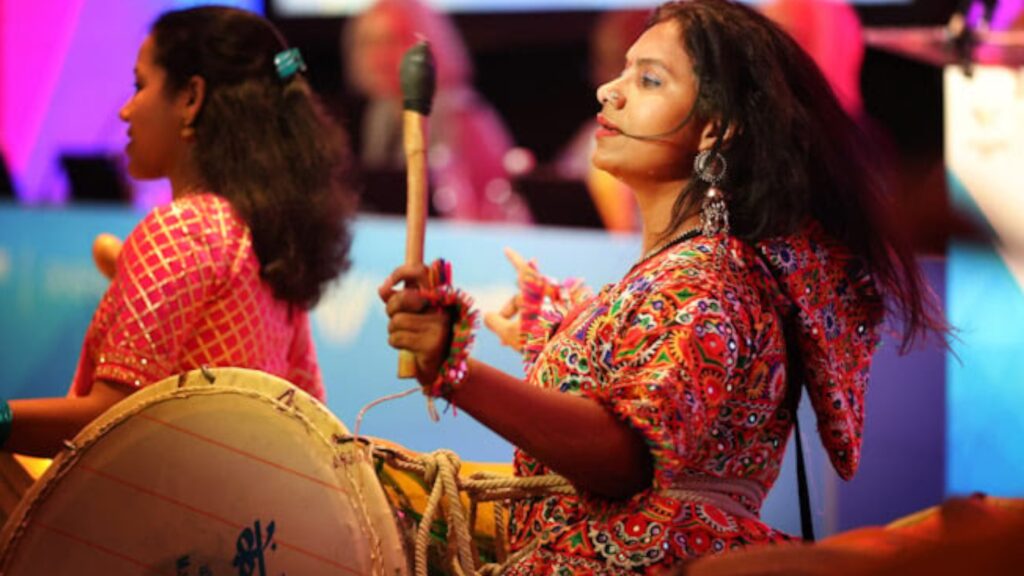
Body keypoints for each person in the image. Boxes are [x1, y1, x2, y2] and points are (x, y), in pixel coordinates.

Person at [381, 0, 945, 572]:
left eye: (649, 79)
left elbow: (627, 457)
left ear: (715, 128)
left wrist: (456, 371)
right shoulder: (699, 272)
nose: (609, 90)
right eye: (623, 71)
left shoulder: (707, 279)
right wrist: (554, 329)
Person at [2, 6, 355, 458]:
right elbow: (314, 426)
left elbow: (110, 420)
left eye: (140, 85)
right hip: (230, 502)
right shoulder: (271, 245)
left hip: (146, 502)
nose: (126, 110)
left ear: (191, 98)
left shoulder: (180, 231)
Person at [342, 0, 527, 222]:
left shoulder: (461, 113)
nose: (378, 57)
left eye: (392, 41)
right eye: (368, 43)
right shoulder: (380, 113)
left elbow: (485, 207)